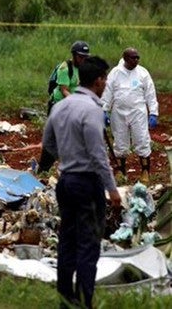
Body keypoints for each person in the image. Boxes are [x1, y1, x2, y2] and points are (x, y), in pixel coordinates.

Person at [43, 56, 121, 309]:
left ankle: (65, 299)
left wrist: (67, 158)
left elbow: (49, 145)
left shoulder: (60, 107)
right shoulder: (92, 110)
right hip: (87, 183)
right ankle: (85, 300)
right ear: (98, 81)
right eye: (105, 79)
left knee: (67, 240)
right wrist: (112, 190)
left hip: (65, 181)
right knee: (88, 243)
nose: (106, 83)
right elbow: (99, 155)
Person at [101, 47, 159, 184]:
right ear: (126, 58)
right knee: (120, 141)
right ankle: (121, 171)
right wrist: (104, 110)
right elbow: (107, 91)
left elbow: (150, 93)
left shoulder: (142, 73)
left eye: (138, 57)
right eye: (133, 58)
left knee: (142, 139)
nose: (137, 60)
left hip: (138, 111)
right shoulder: (115, 73)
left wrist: (153, 113)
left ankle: (145, 171)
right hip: (119, 112)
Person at [36, 40, 91, 174]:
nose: (83, 59)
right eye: (80, 57)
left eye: (85, 57)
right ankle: (43, 169)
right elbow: (64, 89)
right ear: (73, 55)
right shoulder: (65, 68)